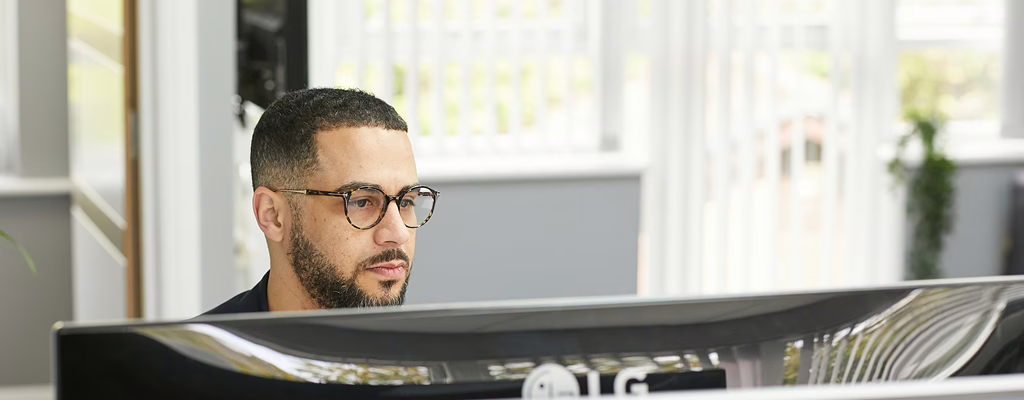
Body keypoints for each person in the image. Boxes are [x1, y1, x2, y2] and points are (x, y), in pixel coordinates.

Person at [204, 88, 439, 315]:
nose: (399, 234)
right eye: (361, 202)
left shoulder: (438, 354)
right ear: (273, 215)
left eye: (406, 202)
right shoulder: (189, 353)